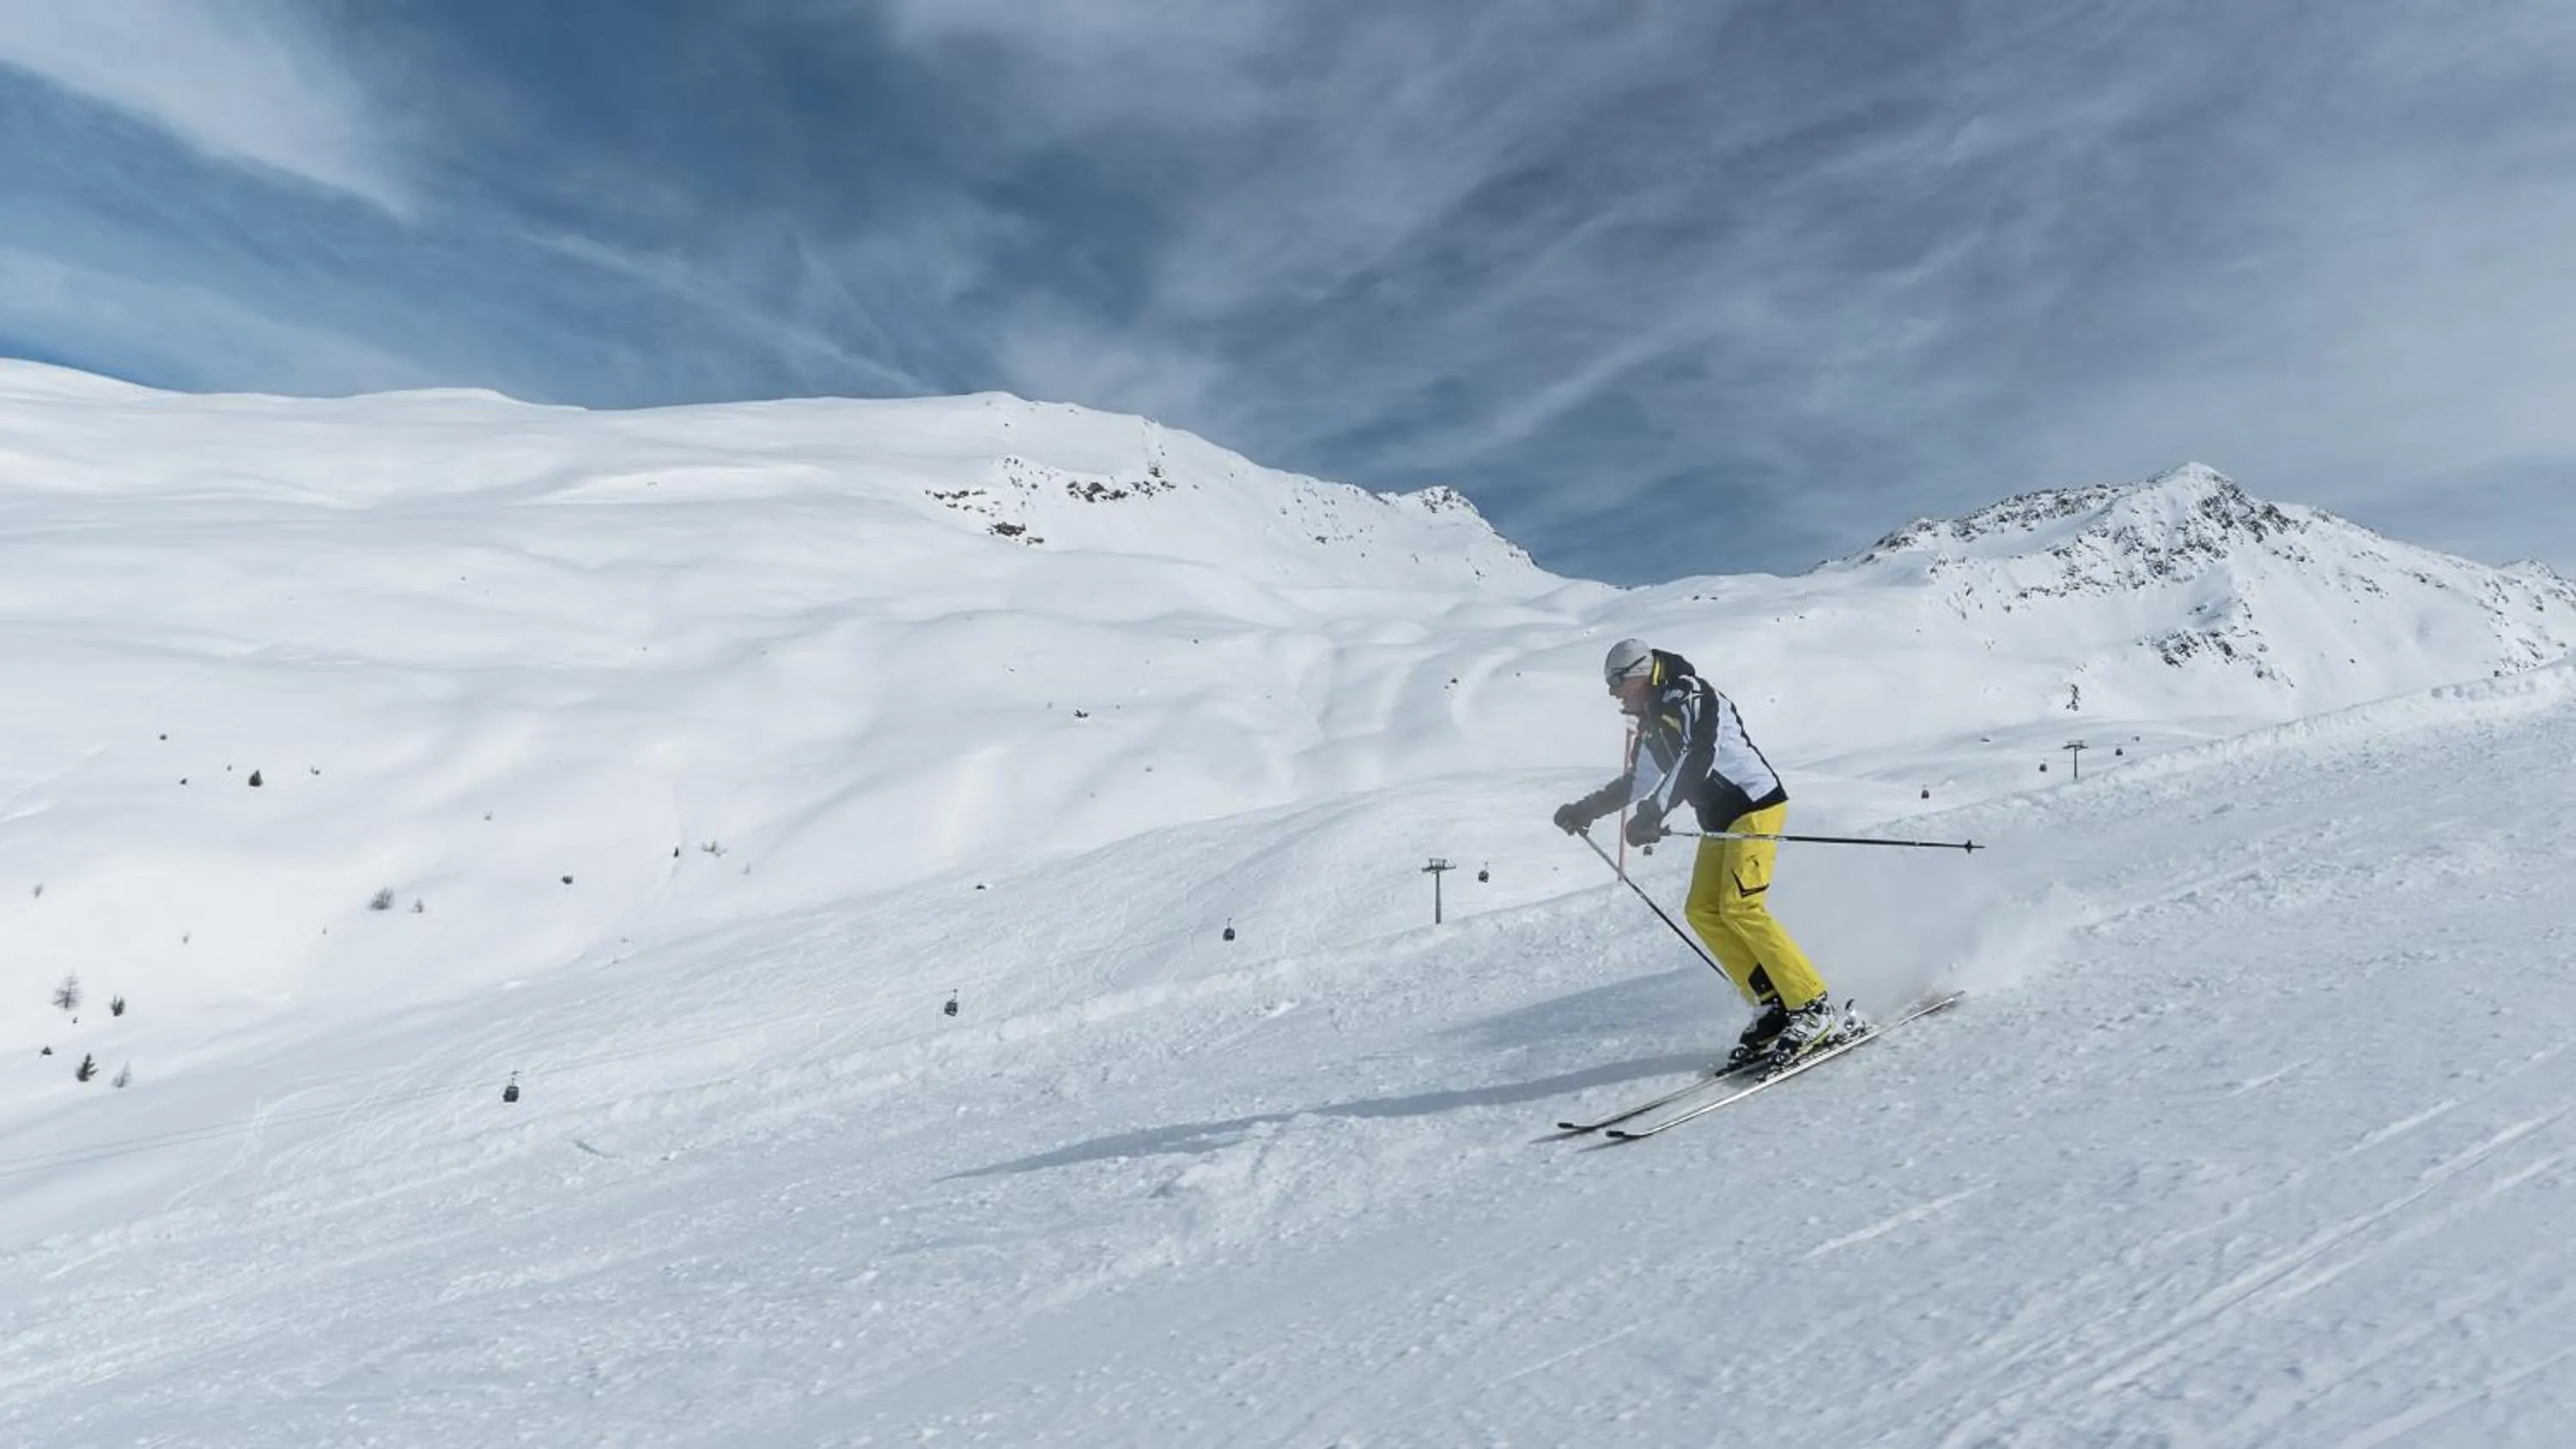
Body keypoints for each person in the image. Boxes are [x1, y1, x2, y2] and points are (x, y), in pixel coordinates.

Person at [1552, 638, 1858, 1070]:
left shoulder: (1690, 694)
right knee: (1703, 910)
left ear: (1640, 674)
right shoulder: (1653, 722)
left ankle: (1811, 1005)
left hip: (1754, 806)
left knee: (1742, 907)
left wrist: (1655, 812)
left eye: (1616, 683)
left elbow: (1699, 756)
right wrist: (1586, 810)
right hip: (1719, 821)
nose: (1613, 693)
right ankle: (1772, 1004)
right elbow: (1638, 781)